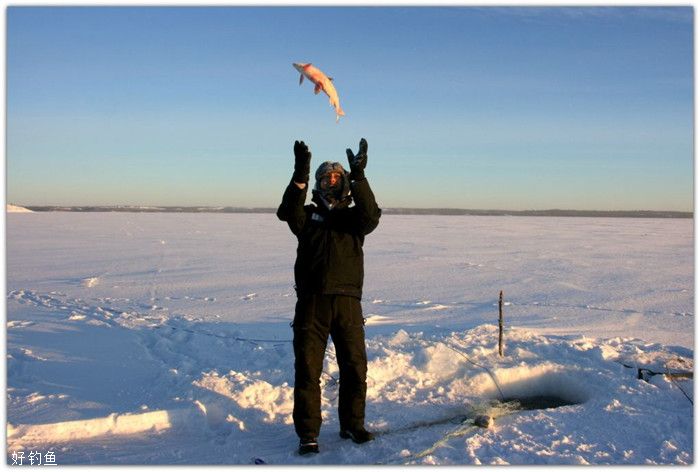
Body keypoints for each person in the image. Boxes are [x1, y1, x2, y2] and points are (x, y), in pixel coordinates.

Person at [277, 138, 382, 455]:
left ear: (345, 183)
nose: (331, 182)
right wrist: (300, 172)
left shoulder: (354, 220)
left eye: (337, 178)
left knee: (355, 369)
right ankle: (308, 433)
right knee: (308, 371)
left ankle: (353, 424)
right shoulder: (307, 217)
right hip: (312, 304)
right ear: (318, 184)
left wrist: (360, 178)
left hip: (348, 303)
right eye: (325, 178)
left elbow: (372, 214)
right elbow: (287, 212)